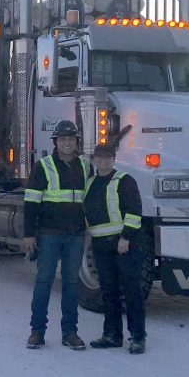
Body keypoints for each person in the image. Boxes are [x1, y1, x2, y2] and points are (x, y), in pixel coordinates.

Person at [23, 120, 92, 350]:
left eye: (71, 139)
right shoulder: (43, 166)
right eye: (63, 139)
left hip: (75, 235)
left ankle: (70, 332)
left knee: (71, 284)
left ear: (76, 143)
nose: (67, 143)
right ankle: (37, 331)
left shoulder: (85, 166)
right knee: (44, 282)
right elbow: (31, 203)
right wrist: (29, 234)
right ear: (56, 142)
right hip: (49, 234)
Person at [84, 141, 147, 354]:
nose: (104, 161)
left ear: (113, 159)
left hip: (123, 245)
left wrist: (126, 237)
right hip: (101, 245)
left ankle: (137, 337)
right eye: (100, 158)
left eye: (108, 157)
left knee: (131, 291)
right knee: (108, 292)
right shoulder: (90, 183)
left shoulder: (124, 181)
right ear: (94, 160)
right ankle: (111, 335)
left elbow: (134, 210)